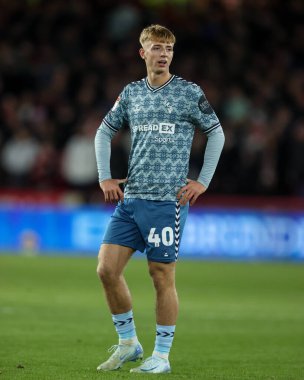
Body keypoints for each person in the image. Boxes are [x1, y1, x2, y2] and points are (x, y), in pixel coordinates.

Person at [94, 24, 225, 374]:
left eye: (168, 48)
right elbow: (104, 130)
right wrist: (104, 175)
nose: (163, 54)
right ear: (143, 53)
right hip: (131, 198)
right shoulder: (132, 92)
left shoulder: (188, 92)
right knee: (106, 270)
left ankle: (162, 357)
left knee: (161, 275)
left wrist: (203, 182)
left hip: (166, 201)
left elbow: (216, 132)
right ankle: (129, 343)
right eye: (156, 47)